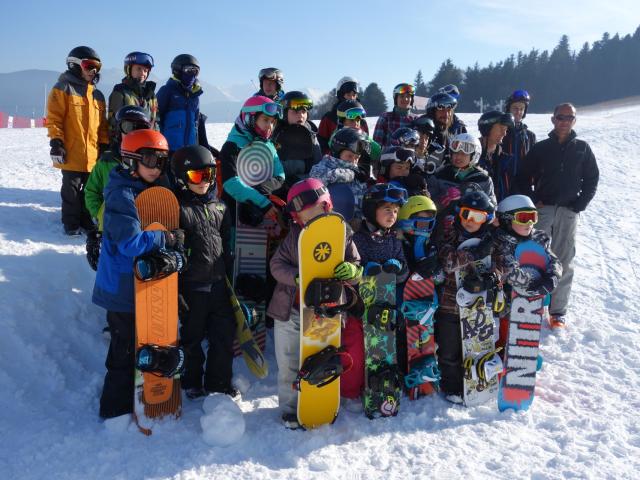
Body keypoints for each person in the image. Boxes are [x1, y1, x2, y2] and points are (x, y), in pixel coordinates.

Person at [92, 129, 185, 419]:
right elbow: (130, 243)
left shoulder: (147, 191)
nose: (156, 167)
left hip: (141, 287)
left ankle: (145, 396)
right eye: (149, 159)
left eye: (161, 161)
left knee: (145, 344)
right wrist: (164, 238)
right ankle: (114, 411)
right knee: (123, 350)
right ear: (131, 160)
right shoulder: (121, 194)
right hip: (121, 291)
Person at [267, 178, 362, 429]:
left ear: (327, 207)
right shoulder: (295, 238)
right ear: (297, 218)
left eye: (316, 212)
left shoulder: (342, 234)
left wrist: (350, 270)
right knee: (288, 362)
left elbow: (357, 267)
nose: (311, 220)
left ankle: (321, 402)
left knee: (321, 358)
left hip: (324, 312)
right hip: (291, 311)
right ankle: (290, 408)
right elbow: (276, 266)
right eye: (305, 216)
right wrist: (297, 277)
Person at [516, 103, 599, 328]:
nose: (564, 121)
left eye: (569, 118)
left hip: (568, 212)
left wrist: (579, 204)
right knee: (534, 256)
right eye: (560, 117)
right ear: (553, 120)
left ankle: (557, 312)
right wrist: (533, 201)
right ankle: (531, 302)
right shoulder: (541, 148)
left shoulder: (582, 148)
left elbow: (592, 179)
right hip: (543, 211)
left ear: (574, 121)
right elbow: (523, 176)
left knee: (564, 260)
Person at [170, 145, 237, 399]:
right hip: (192, 286)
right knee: (192, 337)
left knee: (223, 335)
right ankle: (191, 382)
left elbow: (226, 241)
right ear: (181, 178)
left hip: (218, 284)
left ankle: (219, 383)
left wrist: (230, 275)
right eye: (197, 176)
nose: (204, 182)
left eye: (209, 175)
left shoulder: (220, 207)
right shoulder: (178, 209)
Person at [433, 190, 496, 403]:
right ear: (459, 213)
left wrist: (493, 279)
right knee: (449, 349)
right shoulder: (450, 235)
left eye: (478, 217)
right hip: (449, 305)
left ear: (486, 219)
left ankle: (475, 383)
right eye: (467, 214)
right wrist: (474, 254)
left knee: (474, 348)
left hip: (477, 307)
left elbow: (500, 267)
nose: (471, 221)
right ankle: (451, 386)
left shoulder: (489, 240)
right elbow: (448, 263)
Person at [47, 46, 108, 236]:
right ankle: (71, 223)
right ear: (74, 64)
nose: (93, 71)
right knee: (71, 190)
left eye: (97, 67)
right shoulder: (63, 89)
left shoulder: (97, 95)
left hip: (92, 154)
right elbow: (54, 119)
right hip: (72, 152)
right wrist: (56, 142)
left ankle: (86, 219)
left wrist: (104, 145)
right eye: (89, 65)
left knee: (90, 190)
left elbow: (103, 126)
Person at [493, 195, 562, 345]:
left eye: (533, 217)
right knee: (509, 331)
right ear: (507, 219)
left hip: (534, 302)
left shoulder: (539, 237)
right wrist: (537, 283)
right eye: (523, 218)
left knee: (529, 330)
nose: (529, 223)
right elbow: (508, 270)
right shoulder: (500, 240)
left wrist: (552, 277)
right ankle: (505, 348)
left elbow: (553, 260)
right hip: (510, 300)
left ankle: (527, 351)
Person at [219, 96, 285, 225]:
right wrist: (261, 201)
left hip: (265, 212)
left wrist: (263, 188)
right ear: (250, 118)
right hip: (233, 213)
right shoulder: (232, 146)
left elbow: (280, 176)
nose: (269, 126)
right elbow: (230, 182)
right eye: (265, 120)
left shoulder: (268, 145)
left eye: (272, 122)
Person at [309, 127, 371, 221]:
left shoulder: (358, 173)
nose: (353, 161)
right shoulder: (325, 166)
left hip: (354, 222)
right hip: (329, 221)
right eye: (349, 156)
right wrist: (349, 174)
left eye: (357, 158)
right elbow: (316, 179)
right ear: (337, 152)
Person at [427, 132, 496, 216]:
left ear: (474, 155)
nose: (458, 157)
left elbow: (492, 211)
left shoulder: (483, 179)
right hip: (443, 224)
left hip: (472, 223)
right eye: (455, 153)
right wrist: (442, 199)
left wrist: (478, 198)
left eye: (463, 154)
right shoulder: (439, 175)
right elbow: (427, 208)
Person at [272, 90, 322, 192]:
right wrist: (303, 165)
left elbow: (318, 163)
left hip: (308, 185)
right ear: (284, 113)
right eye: (295, 112)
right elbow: (271, 166)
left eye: (304, 112)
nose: (301, 116)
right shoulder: (275, 134)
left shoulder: (311, 134)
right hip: (280, 184)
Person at [156, 54, 206, 154]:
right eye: (188, 70)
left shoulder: (194, 97)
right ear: (177, 70)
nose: (192, 74)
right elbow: (156, 119)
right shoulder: (167, 91)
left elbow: (195, 124)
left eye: (195, 71)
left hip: (190, 150)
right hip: (169, 149)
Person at [107, 52, 157, 144]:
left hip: (147, 146)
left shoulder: (151, 95)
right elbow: (113, 122)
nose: (142, 73)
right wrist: (115, 143)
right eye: (138, 69)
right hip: (126, 143)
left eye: (146, 71)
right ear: (128, 69)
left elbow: (155, 120)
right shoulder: (120, 91)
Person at [318, 77, 370, 152]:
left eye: (354, 95)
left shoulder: (361, 120)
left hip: (357, 159)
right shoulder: (329, 118)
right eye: (348, 95)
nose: (352, 98)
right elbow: (321, 143)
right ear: (341, 95)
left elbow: (367, 144)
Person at [334, 99, 380, 179]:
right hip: (340, 176)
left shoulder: (362, 136)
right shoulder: (337, 136)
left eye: (358, 120)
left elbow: (377, 152)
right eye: (352, 120)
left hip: (362, 178)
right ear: (342, 121)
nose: (356, 123)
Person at [477, 111, 516, 201]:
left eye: (506, 130)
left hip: (503, 209)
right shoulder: (469, 156)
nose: (504, 133)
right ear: (487, 129)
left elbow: (514, 186)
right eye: (501, 129)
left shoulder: (506, 160)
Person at [426, 92, 467, 167]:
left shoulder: (451, 134)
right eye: (441, 110)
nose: (446, 115)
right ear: (432, 112)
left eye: (449, 110)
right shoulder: (423, 131)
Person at [373, 83, 418, 148]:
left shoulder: (416, 120)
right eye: (402, 96)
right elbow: (376, 145)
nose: (405, 99)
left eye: (408, 96)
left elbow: (419, 146)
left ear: (412, 99)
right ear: (396, 98)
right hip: (388, 157)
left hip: (410, 157)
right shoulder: (385, 117)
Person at [502, 90, 536, 168]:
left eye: (522, 109)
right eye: (515, 108)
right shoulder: (500, 133)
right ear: (508, 109)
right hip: (502, 179)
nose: (518, 112)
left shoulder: (530, 136)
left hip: (523, 179)